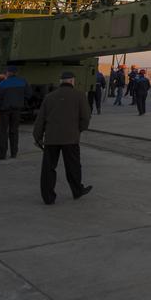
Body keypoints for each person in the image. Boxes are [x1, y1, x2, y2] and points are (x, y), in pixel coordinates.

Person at [32, 72, 93, 204]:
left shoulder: (49, 97)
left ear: (61, 82)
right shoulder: (79, 95)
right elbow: (86, 117)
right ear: (72, 81)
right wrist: (79, 129)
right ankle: (77, 191)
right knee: (73, 166)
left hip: (51, 138)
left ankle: (48, 197)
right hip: (71, 138)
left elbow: (40, 119)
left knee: (48, 168)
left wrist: (37, 137)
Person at [0, 66, 28, 159]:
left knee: (3, 131)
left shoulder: (3, 83)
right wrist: (20, 101)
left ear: (8, 73)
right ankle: (14, 153)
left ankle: (2, 154)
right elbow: (29, 94)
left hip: (4, 110)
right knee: (14, 131)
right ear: (17, 73)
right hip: (17, 110)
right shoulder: (23, 82)